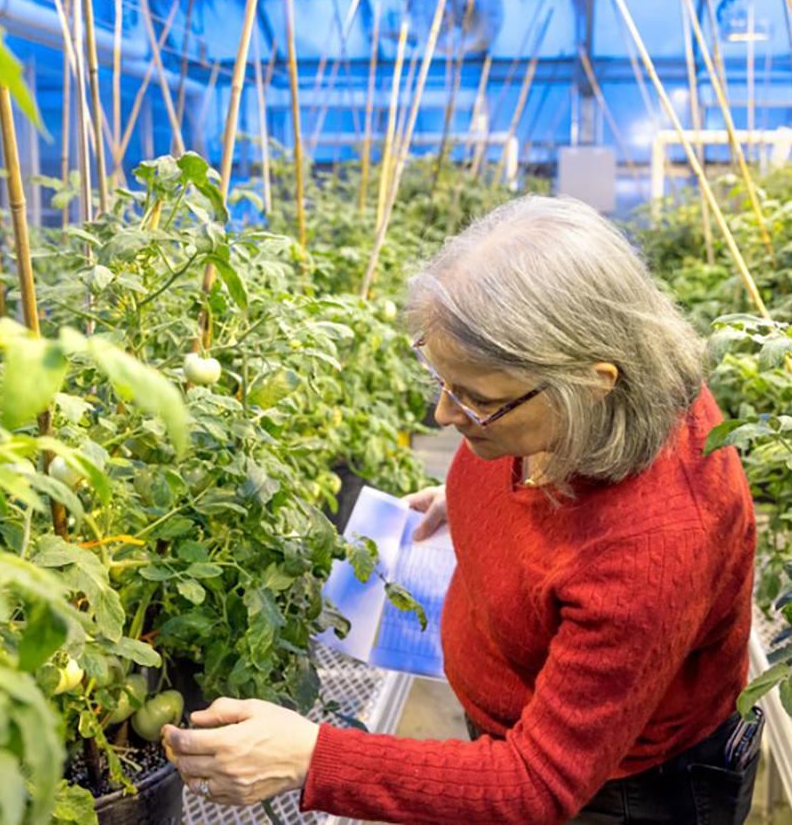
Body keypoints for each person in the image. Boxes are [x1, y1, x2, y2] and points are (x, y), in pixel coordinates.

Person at [164, 195, 760, 825]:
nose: (446, 416)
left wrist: (313, 758)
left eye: (477, 400)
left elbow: (534, 785)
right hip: (509, 722)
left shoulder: (654, 544)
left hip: (623, 794)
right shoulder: (606, 386)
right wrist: (474, 499)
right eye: (442, 381)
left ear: (591, 384)